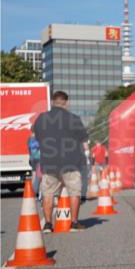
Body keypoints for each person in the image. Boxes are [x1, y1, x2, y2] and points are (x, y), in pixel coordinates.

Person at [30, 91, 89, 231]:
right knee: (74, 192)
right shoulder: (74, 118)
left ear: (52, 102)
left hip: (49, 163)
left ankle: (48, 225)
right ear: (66, 103)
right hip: (71, 162)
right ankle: (74, 223)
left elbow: (36, 137)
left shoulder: (42, 118)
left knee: (48, 193)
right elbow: (84, 140)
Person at [27, 134, 42, 199]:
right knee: (40, 177)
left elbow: (29, 149)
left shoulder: (29, 138)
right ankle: (39, 193)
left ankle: (33, 194)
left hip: (33, 159)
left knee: (34, 175)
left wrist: (30, 157)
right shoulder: (40, 137)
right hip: (39, 159)